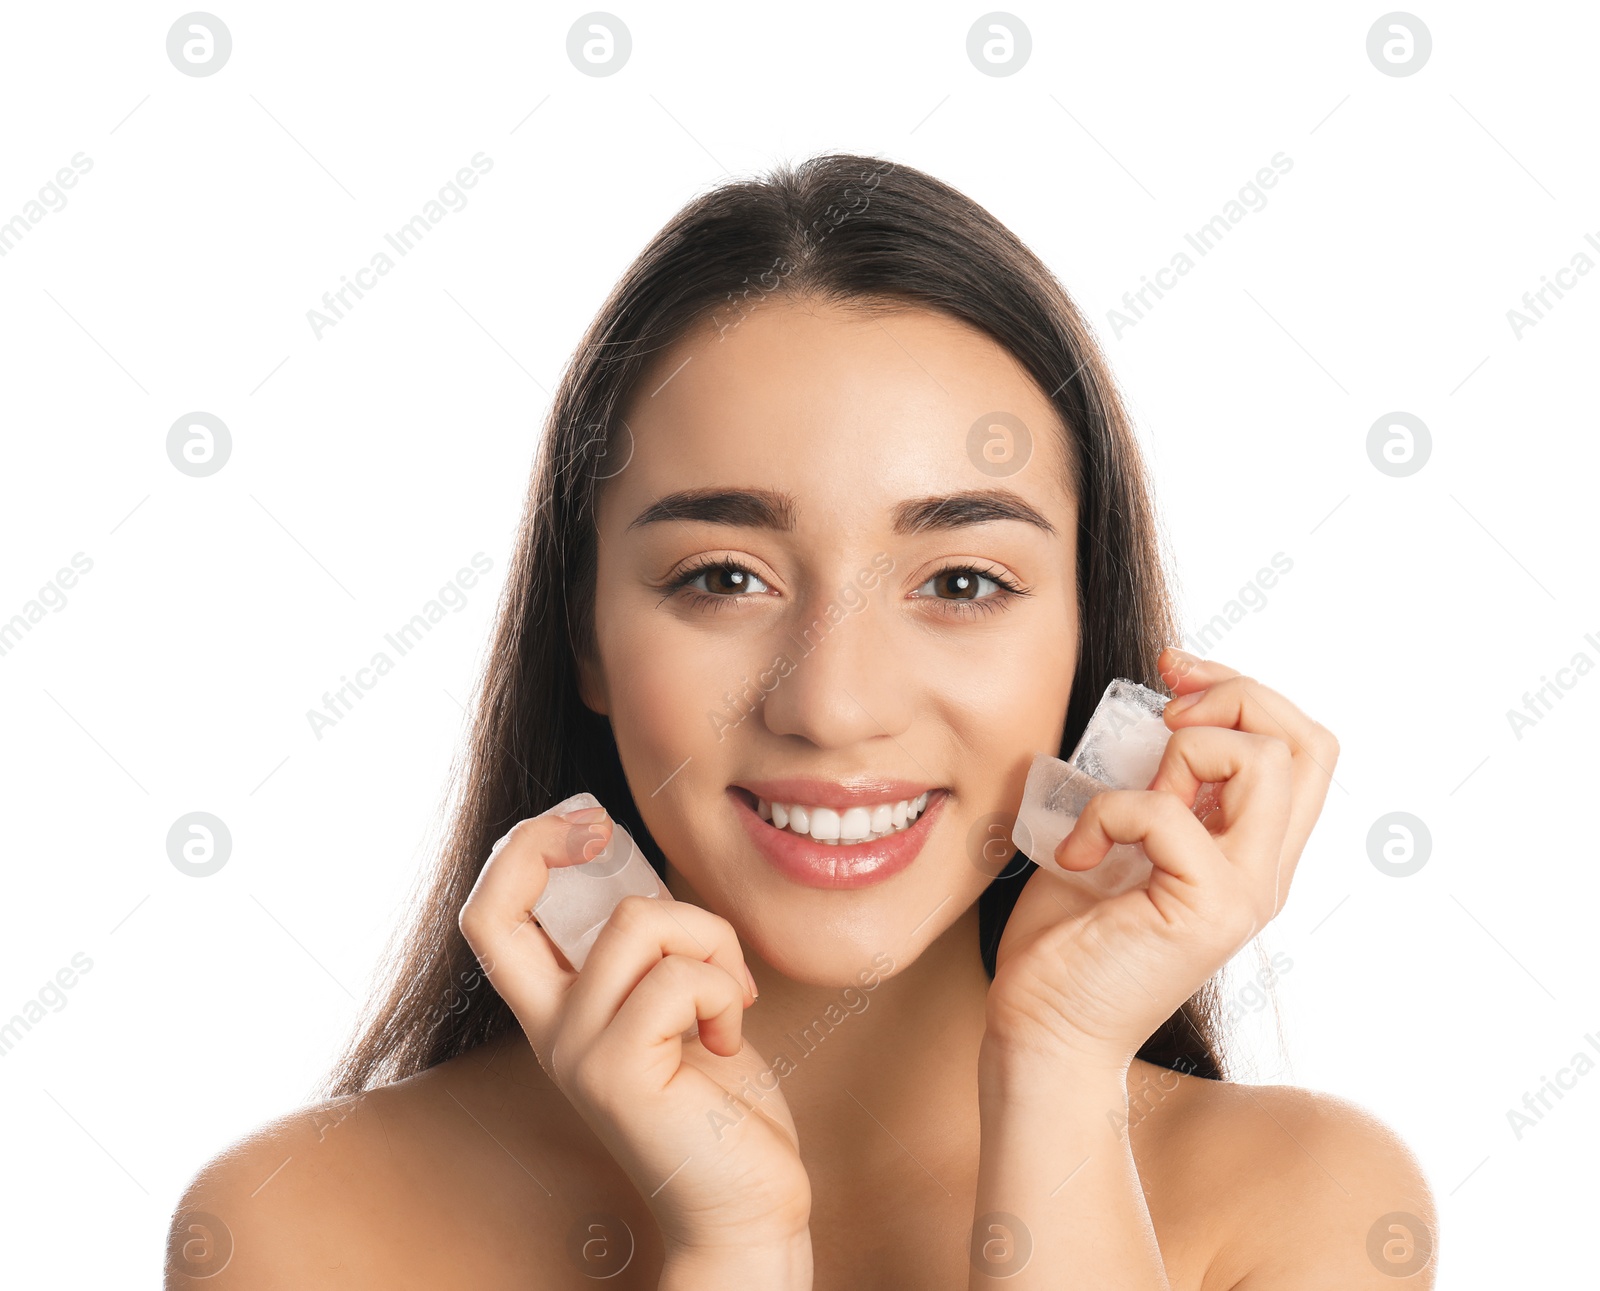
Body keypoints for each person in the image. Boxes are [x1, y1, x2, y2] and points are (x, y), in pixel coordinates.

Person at [169, 154, 1435, 1288]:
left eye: (961, 583)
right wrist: (736, 1246)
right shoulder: (308, 1235)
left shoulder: (1303, 1204)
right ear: (584, 636)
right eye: (724, 577)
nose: (834, 707)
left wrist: (1056, 1069)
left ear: (1084, 646)